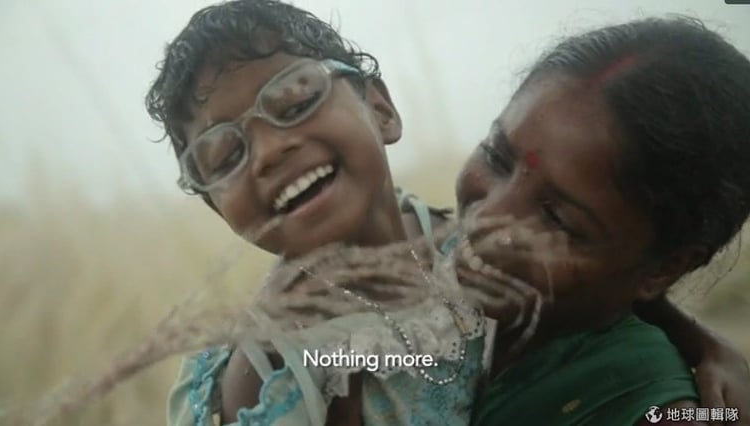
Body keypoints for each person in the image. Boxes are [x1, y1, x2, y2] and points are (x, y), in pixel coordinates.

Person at [143, 1, 750, 424]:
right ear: (221, 210)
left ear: (381, 109)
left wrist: (700, 340)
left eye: (296, 101)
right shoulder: (274, 371)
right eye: (223, 156)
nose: (270, 152)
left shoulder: (455, 245)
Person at [446, 16, 750, 425]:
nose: (488, 218)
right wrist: (701, 341)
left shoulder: (646, 407)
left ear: (663, 268)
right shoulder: (435, 264)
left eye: (556, 217)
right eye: (496, 158)